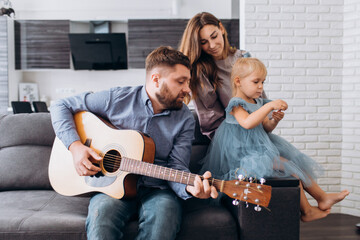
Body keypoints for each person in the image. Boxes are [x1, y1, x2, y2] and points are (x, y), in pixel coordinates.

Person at [51, 46, 218, 240]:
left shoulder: (185, 119)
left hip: (158, 189)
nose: (187, 89)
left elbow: (177, 166)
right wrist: (76, 147)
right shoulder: (117, 99)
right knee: (101, 223)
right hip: (111, 187)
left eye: (188, 81)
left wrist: (190, 187)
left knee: (163, 225)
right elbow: (60, 105)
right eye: (180, 81)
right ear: (156, 79)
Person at [200, 57, 349, 222]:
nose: (261, 86)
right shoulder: (236, 104)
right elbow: (247, 123)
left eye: (263, 82)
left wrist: (274, 120)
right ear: (238, 81)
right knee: (287, 167)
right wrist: (269, 106)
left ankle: (321, 197)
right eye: (256, 81)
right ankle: (307, 211)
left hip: (259, 148)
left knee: (294, 163)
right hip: (241, 156)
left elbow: (264, 128)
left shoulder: (258, 101)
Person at [179, 12, 265, 139]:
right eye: (204, 42)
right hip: (231, 141)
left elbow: (260, 98)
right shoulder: (200, 71)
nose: (212, 45)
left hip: (258, 133)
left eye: (214, 36)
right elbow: (211, 121)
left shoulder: (243, 57)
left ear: (221, 28)